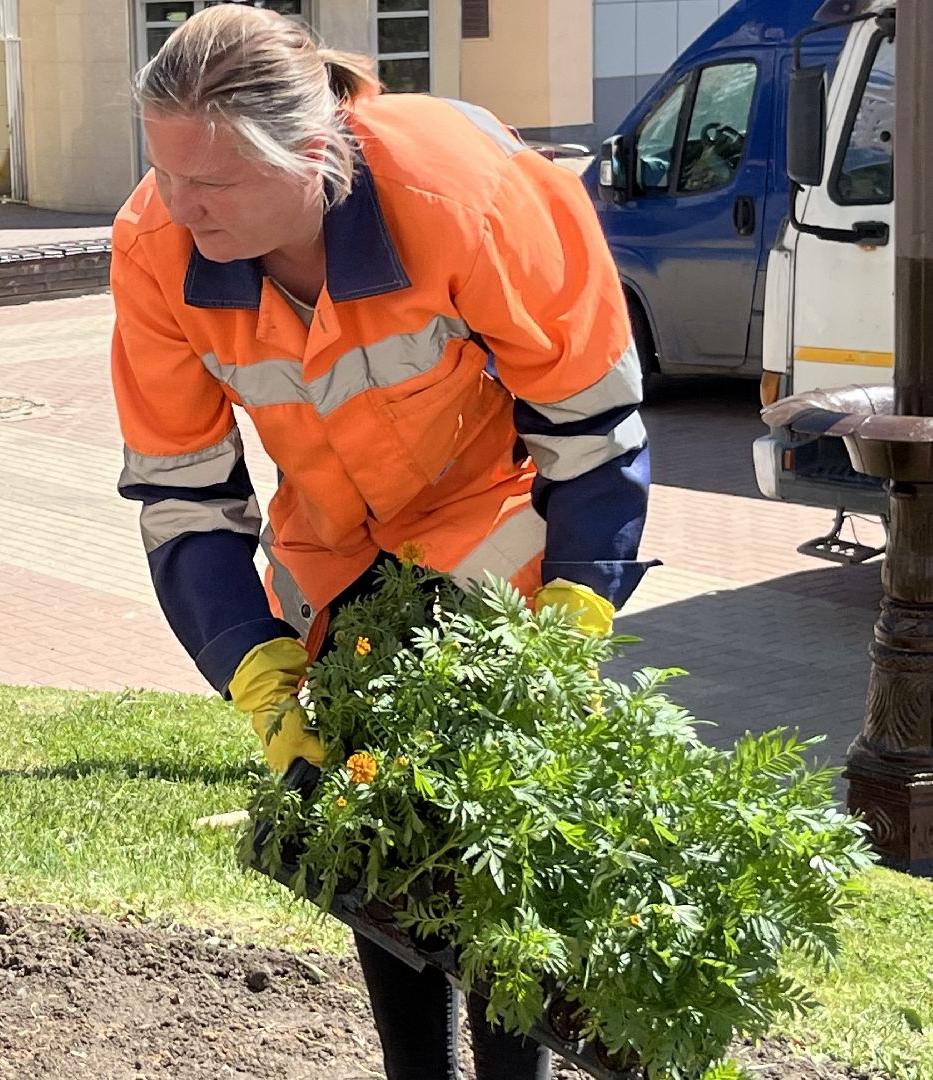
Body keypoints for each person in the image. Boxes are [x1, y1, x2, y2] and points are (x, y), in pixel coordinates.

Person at [111, 7, 653, 1078]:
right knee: (374, 835)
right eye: (163, 174)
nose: (179, 207)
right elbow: (182, 498)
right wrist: (254, 672)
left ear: (309, 153)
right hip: (335, 557)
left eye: (209, 183)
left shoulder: (468, 198)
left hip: (499, 540)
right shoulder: (159, 249)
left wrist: (577, 610)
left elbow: (590, 433)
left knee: (496, 849)